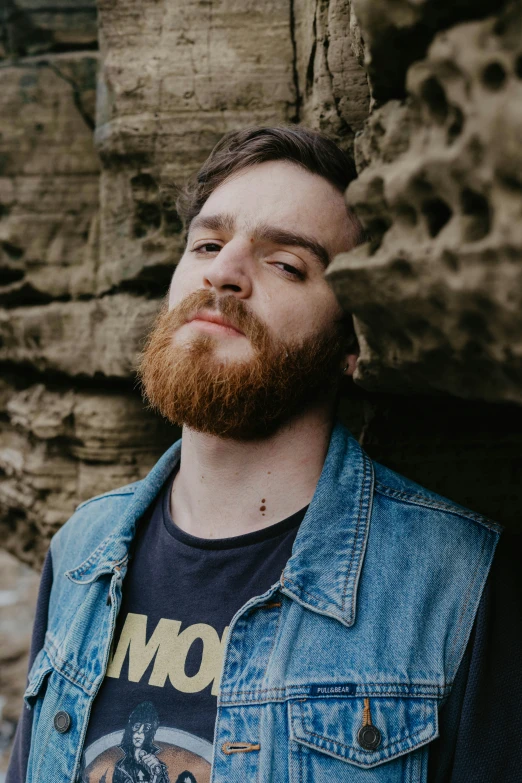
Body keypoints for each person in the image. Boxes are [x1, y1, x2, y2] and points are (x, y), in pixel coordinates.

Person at [6, 126, 521, 783]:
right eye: (208, 243)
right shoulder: (81, 549)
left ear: (352, 340)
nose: (223, 271)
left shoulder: (458, 585)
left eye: (287, 264)